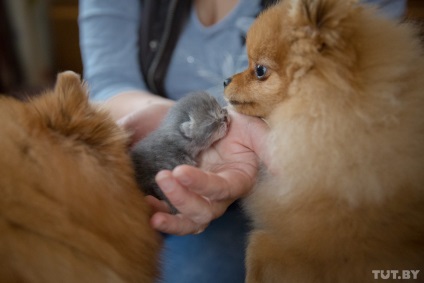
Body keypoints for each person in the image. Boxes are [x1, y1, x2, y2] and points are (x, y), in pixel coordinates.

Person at [78, 0, 407, 282]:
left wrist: (224, 121)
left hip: (275, 176)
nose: (235, 81)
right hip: (166, 153)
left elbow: (358, 86)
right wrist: (170, 121)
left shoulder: (327, 26)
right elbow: (108, 80)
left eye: (259, 70)